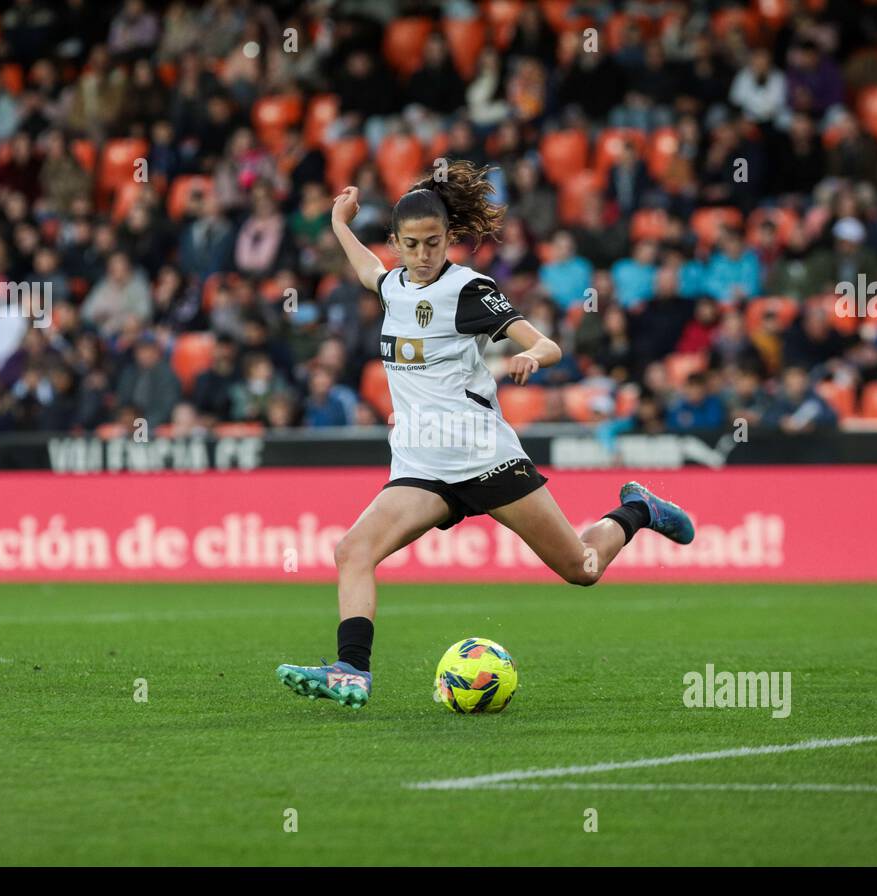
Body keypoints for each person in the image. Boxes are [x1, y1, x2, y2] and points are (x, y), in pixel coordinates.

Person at [276, 161, 696, 709]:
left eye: (433, 243)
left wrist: (529, 355)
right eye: (411, 245)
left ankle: (638, 508)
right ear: (397, 244)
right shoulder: (393, 286)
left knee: (582, 569)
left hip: (484, 458)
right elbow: (364, 270)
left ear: (451, 239)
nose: (423, 255)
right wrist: (338, 222)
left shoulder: (468, 289)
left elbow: (547, 344)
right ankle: (352, 671)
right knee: (352, 551)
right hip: (422, 467)